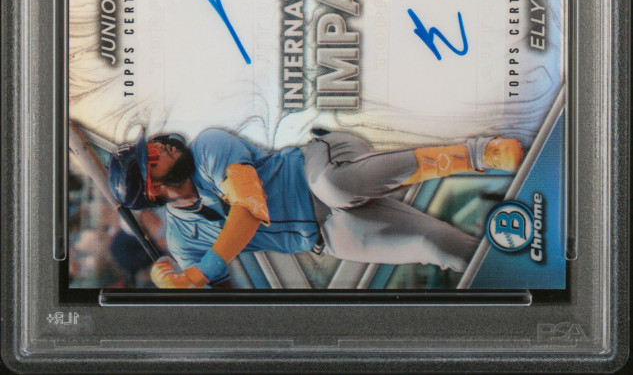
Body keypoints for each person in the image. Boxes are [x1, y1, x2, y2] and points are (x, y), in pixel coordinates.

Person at [107, 126, 523, 289]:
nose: (158, 147)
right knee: (439, 248)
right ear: (153, 190)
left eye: (153, 146)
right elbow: (224, 309)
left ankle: (478, 153)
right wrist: (178, 290)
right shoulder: (183, 240)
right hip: (325, 235)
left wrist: (198, 273)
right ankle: (522, 272)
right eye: (150, 158)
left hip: (318, 166)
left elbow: (249, 207)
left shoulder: (207, 147)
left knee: (336, 186)